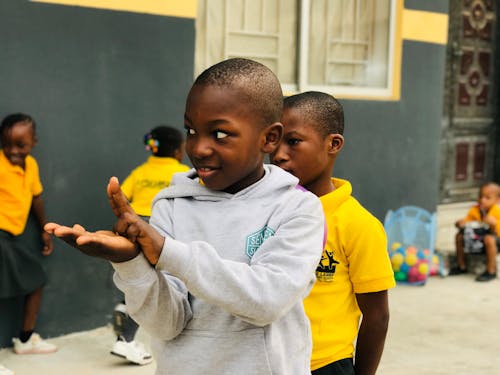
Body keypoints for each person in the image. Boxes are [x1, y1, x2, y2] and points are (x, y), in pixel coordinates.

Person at [45, 58, 325, 374]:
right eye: (191, 130)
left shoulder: (297, 209)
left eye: (220, 134)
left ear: (269, 139)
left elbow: (266, 301)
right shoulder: (172, 205)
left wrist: (168, 253)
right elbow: (168, 324)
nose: (200, 148)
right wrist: (132, 264)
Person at [271, 91, 396, 375]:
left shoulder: (357, 223)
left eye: (293, 142)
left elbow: (377, 316)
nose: (278, 154)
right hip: (267, 361)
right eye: (273, 140)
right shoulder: (265, 210)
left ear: (333, 144)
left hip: (324, 364)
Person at [110, 125, 189, 365]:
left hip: (134, 228)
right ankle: (125, 341)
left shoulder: (141, 170)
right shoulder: (183, 172)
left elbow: (120, 194)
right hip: (159, 232)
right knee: (155, 287)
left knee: (138, 280)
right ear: (178, 151)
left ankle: (125, 307)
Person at [0, 113, 57, 356]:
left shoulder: (31, 165)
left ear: (34, 142)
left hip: (10, 239)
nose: (13, 151)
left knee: (36, 279)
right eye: (6, 144)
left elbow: (36, 198)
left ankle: (25, 338)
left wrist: (45, 229)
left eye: (20, 145)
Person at [448, 181, 500, 282]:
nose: (482, 200)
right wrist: (459, 223)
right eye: (480, 197)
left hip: (495, 242)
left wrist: (495, 224)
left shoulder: (497, 212)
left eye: (487, 198)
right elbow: (467, 222)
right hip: (478, 240)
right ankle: (461, 266)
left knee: (489, 239)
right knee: (459, 236)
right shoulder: (475, 210)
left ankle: (491, 271)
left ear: (497, 200)